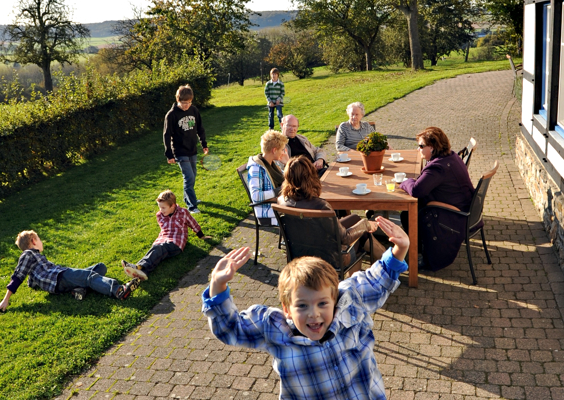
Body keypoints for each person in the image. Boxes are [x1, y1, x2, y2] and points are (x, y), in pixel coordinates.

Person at [201, 216, 409, 399]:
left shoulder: (351, 301)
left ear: (334, 299)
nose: (314, 313)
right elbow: (229, 329)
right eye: (302, 305)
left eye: (322, 303)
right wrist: (217, 285)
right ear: (287, 309)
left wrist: (400, 249)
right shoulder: (273, 328)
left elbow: (376, 280)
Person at [0, 230, 140, 312]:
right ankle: (118, 290)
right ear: (33, 241)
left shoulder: (35, 258)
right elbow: (18, 276)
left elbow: (31, 281)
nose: (41, 242)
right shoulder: (28, 254)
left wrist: (33, 282)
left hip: (61, 278)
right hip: (59, 277)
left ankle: (79, 290)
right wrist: (5, 300)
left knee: (100, 267)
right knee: (89, 276)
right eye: (39, 239)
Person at [278, 156, 386, 262]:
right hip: (331, 258)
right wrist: (366, 224)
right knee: (362, 234)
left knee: (355, 219)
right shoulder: (320, 206)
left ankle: (390, 262)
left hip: (299, 254)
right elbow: (345, 238)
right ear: (311, 176)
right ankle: (391, 264)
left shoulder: (281, 201)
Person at [400, 126, 475, 271]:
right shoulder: (451, 156)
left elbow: (416, 190)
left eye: (421, 146)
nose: (418, 149)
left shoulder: (438, 168)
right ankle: (420, 247)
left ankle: (423, 255)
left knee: (409, 213)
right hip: (464, 206)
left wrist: (405, 182)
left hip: (455, 215)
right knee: (409, 212)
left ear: (433, 147)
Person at [121, 190, 212, 281]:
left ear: (172, 206)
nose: (161, 210)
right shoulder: (159, 215)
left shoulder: (183, 212)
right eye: (160, 207)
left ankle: (139, 266)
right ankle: (144, 272)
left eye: (163, 208)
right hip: (162, 240)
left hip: (176, 242)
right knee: (157, 252)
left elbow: (193, 223)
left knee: (160, 249)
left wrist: (201, 236)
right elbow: (165, 231)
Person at [164, 84, 209, 214]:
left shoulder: (194, 110)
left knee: (193, 176)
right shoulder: (171, 115)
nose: (187, 105)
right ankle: (191, 206)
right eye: (184, 103)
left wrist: (203, 144)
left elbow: (200, 128)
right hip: (179, 151)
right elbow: (166, 135)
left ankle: (189, 197)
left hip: (192, 149)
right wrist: (169, 155)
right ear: (178, 100)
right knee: (188, 177)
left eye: (189, 102)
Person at [246, 130, 289, 226]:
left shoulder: (272, 163)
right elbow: (255, 196)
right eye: (282, 149)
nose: (283, 153)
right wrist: (279, 190)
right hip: (269, 214)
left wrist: (287, 163)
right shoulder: (256, 168)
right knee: (303, 217)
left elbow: (288, 180)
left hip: (280, 206)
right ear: (274, 150)